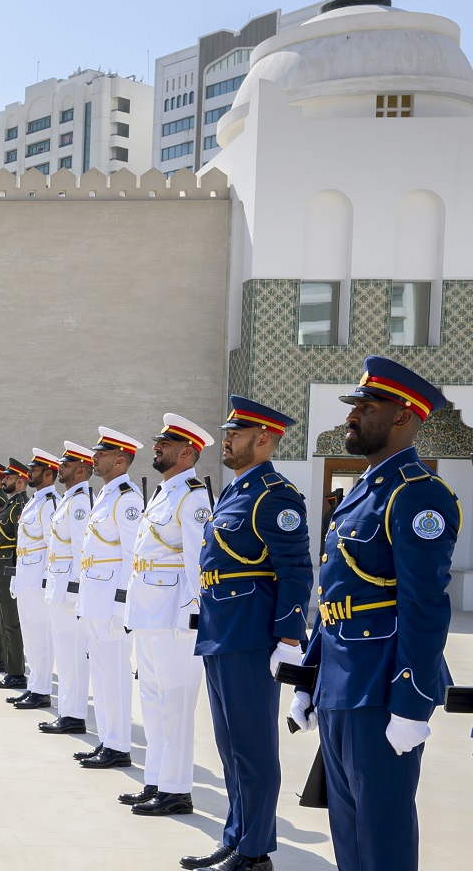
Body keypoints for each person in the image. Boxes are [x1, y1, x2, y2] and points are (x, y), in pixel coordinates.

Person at [290, 358, 459, 871]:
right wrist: (308, 679)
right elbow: (334, 597)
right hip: (340, 686)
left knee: (382, 836)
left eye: (367, 408)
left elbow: (424, 607)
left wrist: (412, 703)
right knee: (348, 835)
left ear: (404, 418)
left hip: (382, 690)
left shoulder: (417, 496)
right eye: (355, 406)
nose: (352, 417)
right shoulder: (362, 493)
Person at [184, 395, 310, 871]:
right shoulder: (237, 490)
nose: (227, 439)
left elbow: (296, 572)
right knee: (230, 746)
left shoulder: (274, 495)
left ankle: (254, 853)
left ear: (264, 440)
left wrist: (289, 639)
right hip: (221, 632)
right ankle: (236, 838)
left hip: (252, 637)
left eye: (235, 434)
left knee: (254, 749)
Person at [120, 414, 214, 816]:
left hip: (175, 618)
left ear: (187, 452)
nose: (156, 447)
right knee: (154, 701)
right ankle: (156, 780)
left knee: (175, 706)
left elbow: (198, 564)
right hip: (149, 613)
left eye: (166, 443)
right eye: (158, 441)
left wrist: (191, 617)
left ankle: (177, 790)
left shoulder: (193, 496)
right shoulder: (163, 492)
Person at [74, 427, 143, 771]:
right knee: (100, 674)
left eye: (100, 454)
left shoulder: (128, 498)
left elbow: (132, 557)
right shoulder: (104, 495)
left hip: (110, 604)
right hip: (94, 600)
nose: (94, 458)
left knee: (114, 675)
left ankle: (118, 746)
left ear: (120, 460)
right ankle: (107, 740)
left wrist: (122, 607)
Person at [39, 442, 94, 736]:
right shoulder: (69, 499)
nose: (61, 468)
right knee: (65, 652)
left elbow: (78, 550)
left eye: (67, 464)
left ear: (81, 470)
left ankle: (73, 715)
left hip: (68, 589)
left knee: (72, 654)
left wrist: (74, 589)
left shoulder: (80, 502)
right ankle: (68, 712)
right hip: (59, 584)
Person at [8, 449, 60, 711]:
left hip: (37, 578)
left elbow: (53, 545)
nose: (29, 472)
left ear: (48, 473)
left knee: (40, 636)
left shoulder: (51, 501)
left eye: (35, 469)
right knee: (30, 635)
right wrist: (18, 576)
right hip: (26, 575)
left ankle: (41, 691)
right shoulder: (35, 500)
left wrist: (43, 580)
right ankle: (34, 686)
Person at [0, 458, 30, 692]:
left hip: (8, 570)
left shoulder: (19, 507)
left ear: (21, 482)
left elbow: (20, 543)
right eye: (4, 477)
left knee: (11, 622)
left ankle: (16, 672)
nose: (4, 481)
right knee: (3, 620)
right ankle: (7, 665)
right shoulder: (10, 505)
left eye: (9, 478)